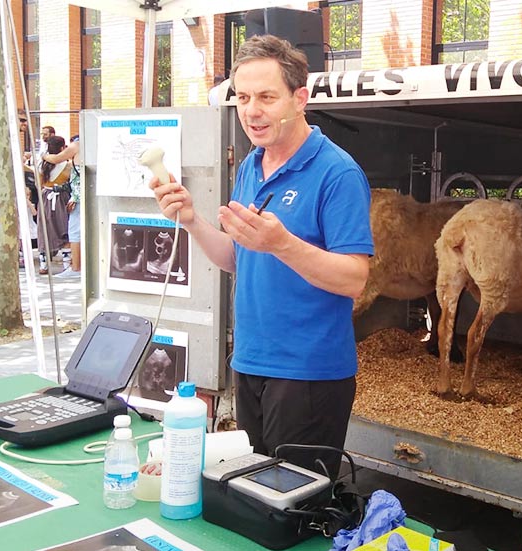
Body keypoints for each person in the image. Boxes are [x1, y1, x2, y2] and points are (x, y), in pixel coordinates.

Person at [150, 35, 373, 478]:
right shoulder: (253, 163)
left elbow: (354, 279)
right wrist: (193, 221)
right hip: (250, 360)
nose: (252, 110)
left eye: (267, 97)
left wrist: (282, 244)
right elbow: (238, 258)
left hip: (308, 373)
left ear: (300, 98)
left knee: (292, 507)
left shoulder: (338, 173)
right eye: (244, 97)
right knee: (254, 497)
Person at [43, 134, 82, 278]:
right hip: (91, 193)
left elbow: (56, 158)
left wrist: (43, 155)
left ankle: (76, 268)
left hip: (78, 195)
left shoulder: (78, 145)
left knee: (74, 231)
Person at [36, 135, 71, 275]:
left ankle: (44, 264)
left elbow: (38, 185)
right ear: (62, 148)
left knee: (44, 229)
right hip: (62, 198)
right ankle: (66, 264)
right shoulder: (67, 166)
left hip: (45, 197)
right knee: (64, 228)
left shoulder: (41, 165)